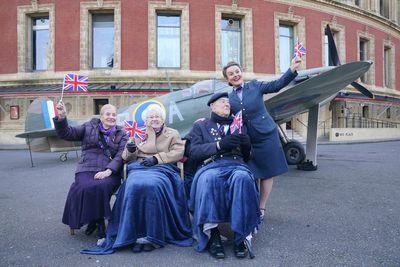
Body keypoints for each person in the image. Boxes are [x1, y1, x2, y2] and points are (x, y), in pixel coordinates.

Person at [81, 104, 192, 255]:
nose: (154, 119)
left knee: (153, 185)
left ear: (162, 119)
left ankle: (152, 235)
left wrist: (157, 159)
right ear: (145, 121)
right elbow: (127, 157)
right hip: (139, 168)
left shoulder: (172, 133)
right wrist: (131, 149)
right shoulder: (139, 133)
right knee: (133, 184)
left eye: (157, 116)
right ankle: (134, 233)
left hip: (162, 168)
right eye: (151, 117)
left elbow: (178, 153)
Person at [223, 58, 302, 218]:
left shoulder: (255, 86)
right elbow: (223, 116)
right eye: (231, 74)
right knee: (251, 173)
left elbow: (277, 84)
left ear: (241, 72)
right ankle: (251, 204)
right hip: (248, 141)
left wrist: (292, 69)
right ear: (227, 80)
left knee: (267, 172)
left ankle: (261, 207)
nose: (235, 75)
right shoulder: (228, 99)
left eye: (237, 71)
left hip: (266, 135)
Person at [188, 92, 260, 259]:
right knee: (210, 179)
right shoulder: (201, 125)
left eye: (228, 102)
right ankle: (213, 234)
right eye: (222, 102)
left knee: (242, 179)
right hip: (211, 165)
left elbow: (247, 156)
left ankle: (240, 236)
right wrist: (219, 145)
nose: (227, 104)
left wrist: (247, 146)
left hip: (236, 165)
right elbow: (193, 152)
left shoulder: (239, 125)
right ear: (212, 106)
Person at [53, 101, 128, 238]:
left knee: (102, 186)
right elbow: (67, 133)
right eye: (108, 114)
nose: (111, 117)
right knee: (85, 186)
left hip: (109, 170)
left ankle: (96, 220)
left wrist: (108, 171)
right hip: (87, 167)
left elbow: (120, 155)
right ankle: (97, 220)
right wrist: (62, 117)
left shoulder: (122, 134)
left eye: (114, 114)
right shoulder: (88, 127)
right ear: (101, 116)